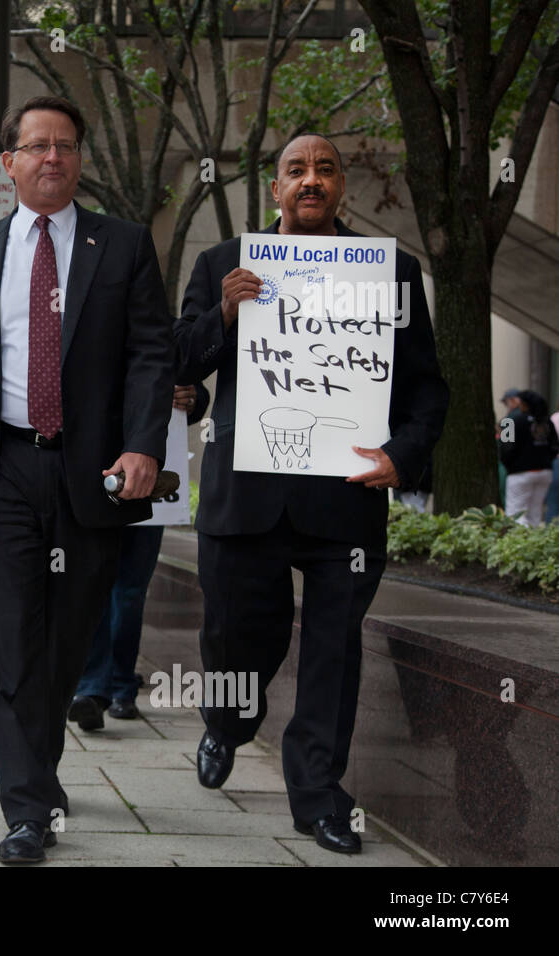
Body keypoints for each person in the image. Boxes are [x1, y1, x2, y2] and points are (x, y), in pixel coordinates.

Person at [174, 134, 449, 854]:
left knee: (334, 651)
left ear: (341, 187)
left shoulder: (390, 271)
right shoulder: (223, 265)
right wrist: (225, 316)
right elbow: (178, 362)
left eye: (326, 170)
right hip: (246, 499)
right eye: (297, 170)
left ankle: (319, 796)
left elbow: (425, 386)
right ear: (276, 188)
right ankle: (228, 721)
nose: (312, 180)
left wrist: (403, 455)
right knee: (237, 639)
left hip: (346, 499)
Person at [0, 95, 175, 864]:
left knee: (68, 642)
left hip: (90, 472)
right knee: (8, 640)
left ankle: (37, 771)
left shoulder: (124, 245)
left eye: (66, 146)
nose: (52, 158)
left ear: (80, 159)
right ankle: (29, 807)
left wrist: (144, 444)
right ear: (6, 162)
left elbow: (150, 353)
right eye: (36, 146)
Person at [68, 381, 209, 728]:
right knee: (93, 584)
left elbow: (189, 364)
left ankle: (119, 685)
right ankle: (93, 686)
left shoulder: (158, 331)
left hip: (149, 478)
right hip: (93, 470)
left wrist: (194, 397)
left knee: (129, 591)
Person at [498, 388, 558, 526]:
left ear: (523, 404)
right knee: (535, 514)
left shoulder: (511, 420)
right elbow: (554, 446)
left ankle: (518, 544)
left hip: (520, 473)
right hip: (545, 472)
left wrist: (510, 465)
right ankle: (533, 543)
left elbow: (505, 447)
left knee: (515, 514)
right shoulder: (546, 421)